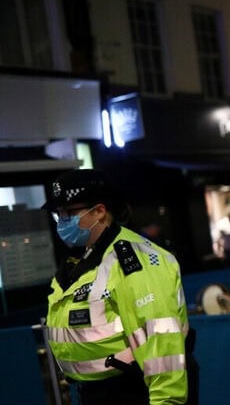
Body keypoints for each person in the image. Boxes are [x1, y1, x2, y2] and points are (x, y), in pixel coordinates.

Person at [42, 169, 196, 405]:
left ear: (100, 211)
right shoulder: (81, 261)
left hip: (135, 390)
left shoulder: (133, 260)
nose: (62, 221)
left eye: (69, 213)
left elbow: (161, 339)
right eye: (59, 214)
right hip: (98, 392)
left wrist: (167, 401)